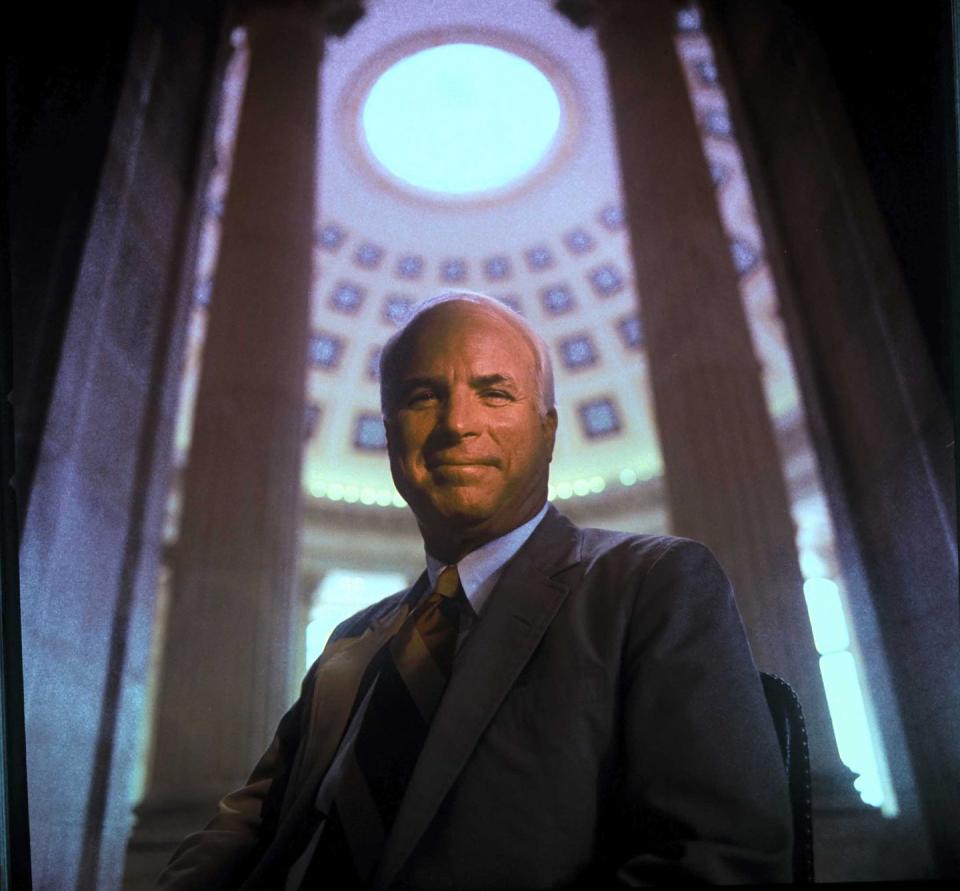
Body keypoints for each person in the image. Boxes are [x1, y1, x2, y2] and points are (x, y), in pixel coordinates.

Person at [157, 291, 793, 888]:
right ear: (388, 434)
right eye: (422, 396)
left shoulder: (650, 585)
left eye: (494, 393)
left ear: (547, 431)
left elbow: (718, 858)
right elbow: (250, 823)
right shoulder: (351, 640)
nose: (458, 424)